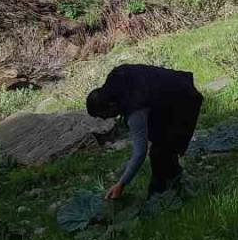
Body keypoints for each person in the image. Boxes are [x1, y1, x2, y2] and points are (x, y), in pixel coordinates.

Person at [85, 64, 204, 200]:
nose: (106, 118)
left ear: (111, 105)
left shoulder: (135, 110)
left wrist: (121, 184)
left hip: (184, 100)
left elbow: (140, 153)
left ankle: (164, 195)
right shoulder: (117, 76)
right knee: (161, 145)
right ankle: (173, 183)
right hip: (176, 85)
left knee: (161, 152)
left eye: (104, 115)